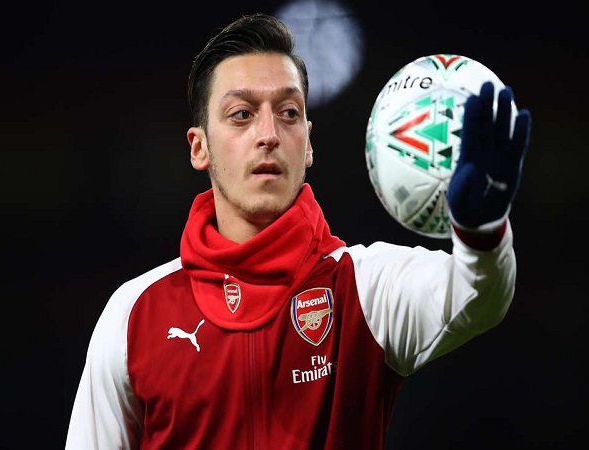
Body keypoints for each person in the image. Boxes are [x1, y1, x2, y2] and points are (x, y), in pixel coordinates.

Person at [65, 13, 532, 450]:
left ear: (308, 143)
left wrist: (481, 230)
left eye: (288, 113)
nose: (269, 133)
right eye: (242, 114)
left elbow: (478, 295)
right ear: (199, 147)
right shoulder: (133, 314)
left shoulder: (365, 289)